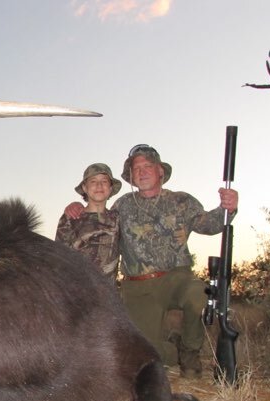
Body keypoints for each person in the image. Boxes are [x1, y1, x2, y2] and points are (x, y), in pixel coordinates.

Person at [64, 144, 239, 378]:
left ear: (160, 172)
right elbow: (97, 216)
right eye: (137, 168)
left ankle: (190, 356)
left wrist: (228, 207)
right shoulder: (122, 205)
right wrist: (76, 206)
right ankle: (171, 348)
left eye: (148, 166)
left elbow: (210, 225)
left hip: (178, 278)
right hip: (138, 287)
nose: (143, 171)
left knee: (199, 296)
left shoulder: (182, 201)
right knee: (144, 356)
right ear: (131, 177)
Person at [55, 163, 122, 282]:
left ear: (110, 188)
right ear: (85, 188)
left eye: (104, 181)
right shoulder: (70, 218)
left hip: (108, 294)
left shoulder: (117, 219)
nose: (99, 185)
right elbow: (58, 258)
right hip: (78, 292)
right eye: (93, 181)